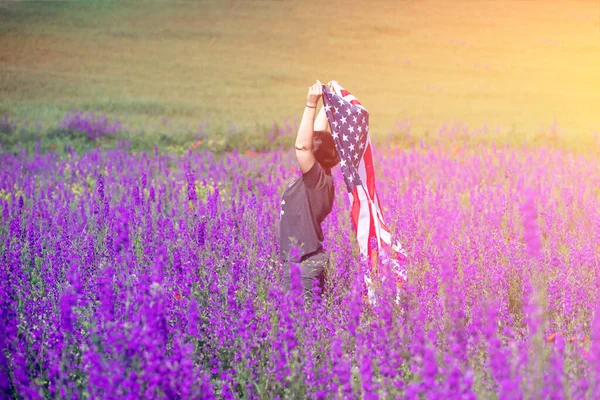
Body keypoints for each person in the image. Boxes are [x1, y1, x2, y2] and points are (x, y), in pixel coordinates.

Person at [280, 80, 340, 303]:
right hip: (303, 260)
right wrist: (328, 101)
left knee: (301, 324)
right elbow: (317, 136)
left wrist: (310, 104)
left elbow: (302, 146)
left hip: (303, 263)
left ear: (315, 154)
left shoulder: (316, 180)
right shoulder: (321, 175)